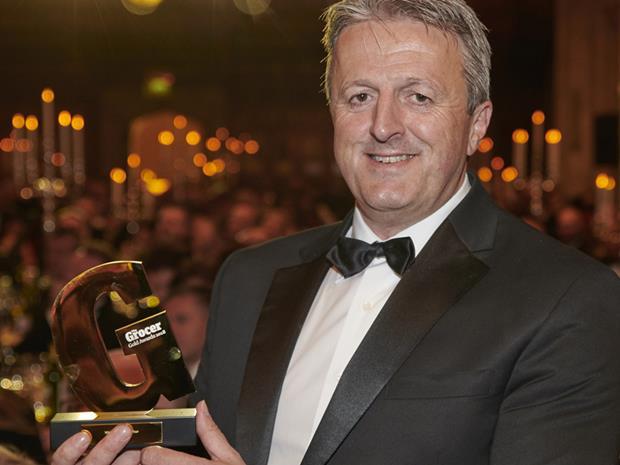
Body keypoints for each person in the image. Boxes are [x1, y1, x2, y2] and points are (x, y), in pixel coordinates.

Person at [52, 0, 620, 464]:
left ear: (477, 124)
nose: (383, 125)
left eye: (419, 96)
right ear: (333, 114)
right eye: (360, 96)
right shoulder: (249, 277)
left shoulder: (567, 300)